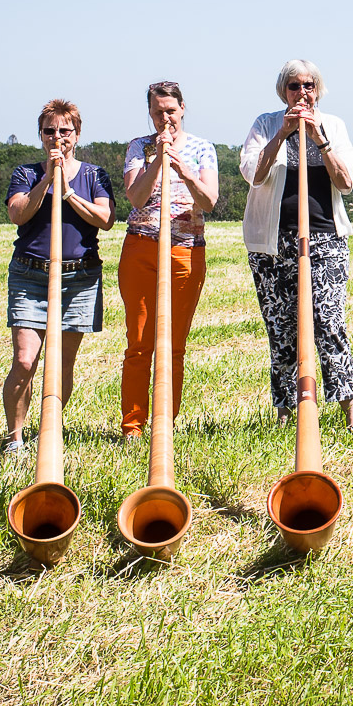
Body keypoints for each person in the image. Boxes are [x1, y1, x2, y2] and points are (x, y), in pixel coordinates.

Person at [240, 60, 353, 430]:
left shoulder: (334, 125)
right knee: (281, 327)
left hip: (325, 237)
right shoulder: (265, 123)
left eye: (309, 85)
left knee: (328, 321)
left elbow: (346, 182)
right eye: (294, 86)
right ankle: (284, 411)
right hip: (272, 243)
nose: (302, 92)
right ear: (284, 91)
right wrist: (283, 133)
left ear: (318, 90)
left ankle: (349, 409)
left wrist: (318, 139)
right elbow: (253, 174)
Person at [1, 99, 116, 454]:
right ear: (41, 135)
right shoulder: (26, 172)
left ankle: (48, 431)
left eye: (64, 131)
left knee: (61, 362)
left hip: (79, 278)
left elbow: (106, 219)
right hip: (31, 274)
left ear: (77, 135)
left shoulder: (93, 175)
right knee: (25, 359)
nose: (57, 137)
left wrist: (66, 191)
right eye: (49, 131)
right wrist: (48, 180)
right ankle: (14, 438)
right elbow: (17, 214)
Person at [119, 81, 219, 439]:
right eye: (158, 112)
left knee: (174, 343)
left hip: (185, 249)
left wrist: (184, 171)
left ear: (182, 109)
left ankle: (165, 422)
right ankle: (132, 425)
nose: (166, 118)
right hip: (142, 247)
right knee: (140, 341)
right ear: (150, 113)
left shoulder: (202, 148)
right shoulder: (138, 147)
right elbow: (135, 197)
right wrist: (157, 161)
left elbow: (208, 201)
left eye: (171, 111)